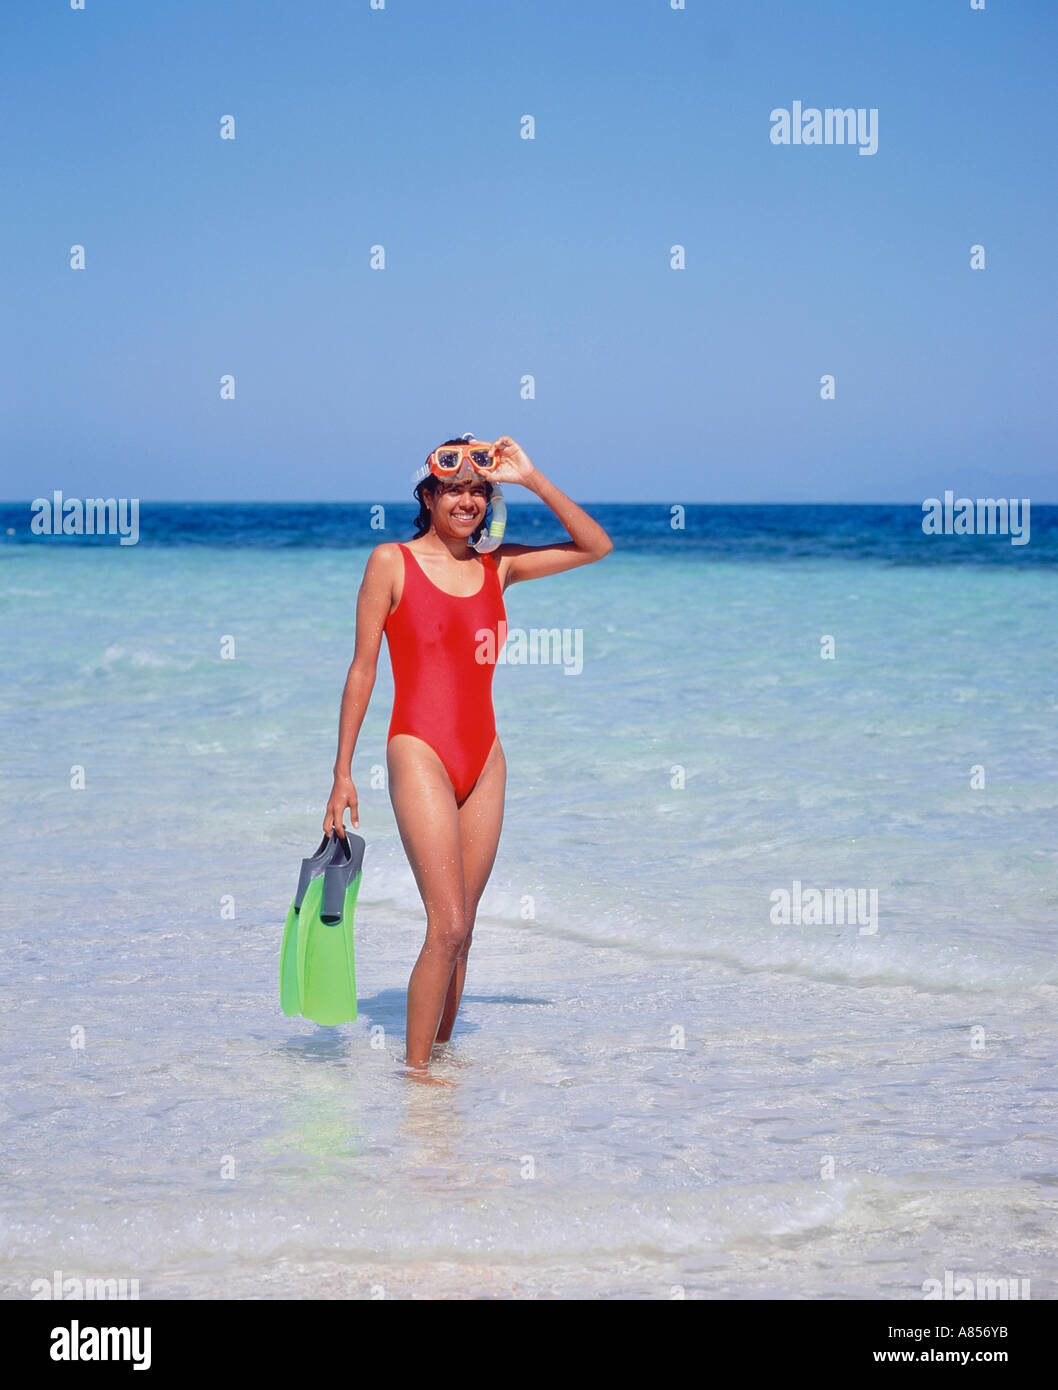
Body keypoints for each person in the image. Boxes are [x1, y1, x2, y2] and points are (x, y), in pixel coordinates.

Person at [323, 434, 612, 1074]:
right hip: (418, 750)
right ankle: (416, 1082)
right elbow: (362, 671)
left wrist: (533, 477)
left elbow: (596, 546)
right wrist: (342, 773)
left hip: (485, 760)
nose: (468, 500)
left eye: (480, 490)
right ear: (428, 496)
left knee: (465, 934)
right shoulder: (389, 562)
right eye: (453, 488)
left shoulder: (497, 567)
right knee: (446, 927)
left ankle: (442, 1075)